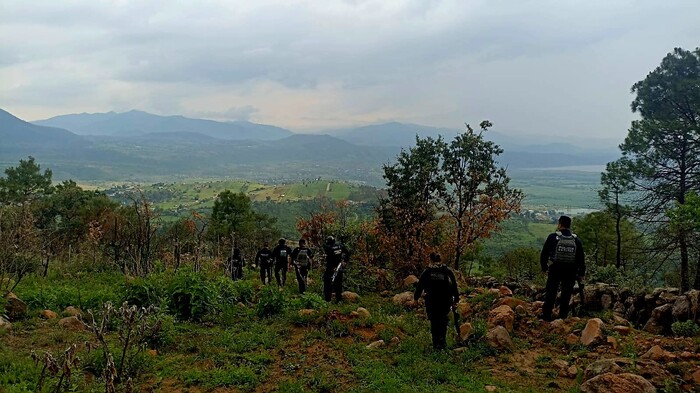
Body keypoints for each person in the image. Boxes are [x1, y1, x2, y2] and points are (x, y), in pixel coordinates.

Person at [540, 215, 586, 321]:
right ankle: (563, 317)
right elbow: (581, 258)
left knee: (551, 291)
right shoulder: (576, 240)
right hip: (570, 270)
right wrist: (581, 273)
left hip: (555, 268)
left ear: (560, 224)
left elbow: (544, 253)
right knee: (566, 294)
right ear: (569, 226)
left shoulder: (553, 237)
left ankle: (546, 315)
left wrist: (544, 267)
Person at [414, 252, 459, 350]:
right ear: (440, 260)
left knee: (434, 322)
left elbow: (420, 285)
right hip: (445, 301)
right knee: (443, 321)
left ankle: (436, 344)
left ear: (431, 260)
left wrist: (416, 298)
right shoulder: (447, 271)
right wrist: (456, 299)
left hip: (431, 301)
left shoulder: (427, 272)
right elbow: (454, 285)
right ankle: (442, 342)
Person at [323, 236, 350, 302]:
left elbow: (328, 259)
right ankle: (338, 299)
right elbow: (347, 253)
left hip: (331, 268)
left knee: (327, 283)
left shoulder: (329, 248)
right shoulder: (340, 246)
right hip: (339, 267)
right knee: (338, 284)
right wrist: (345, 261)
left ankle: (327, 299)